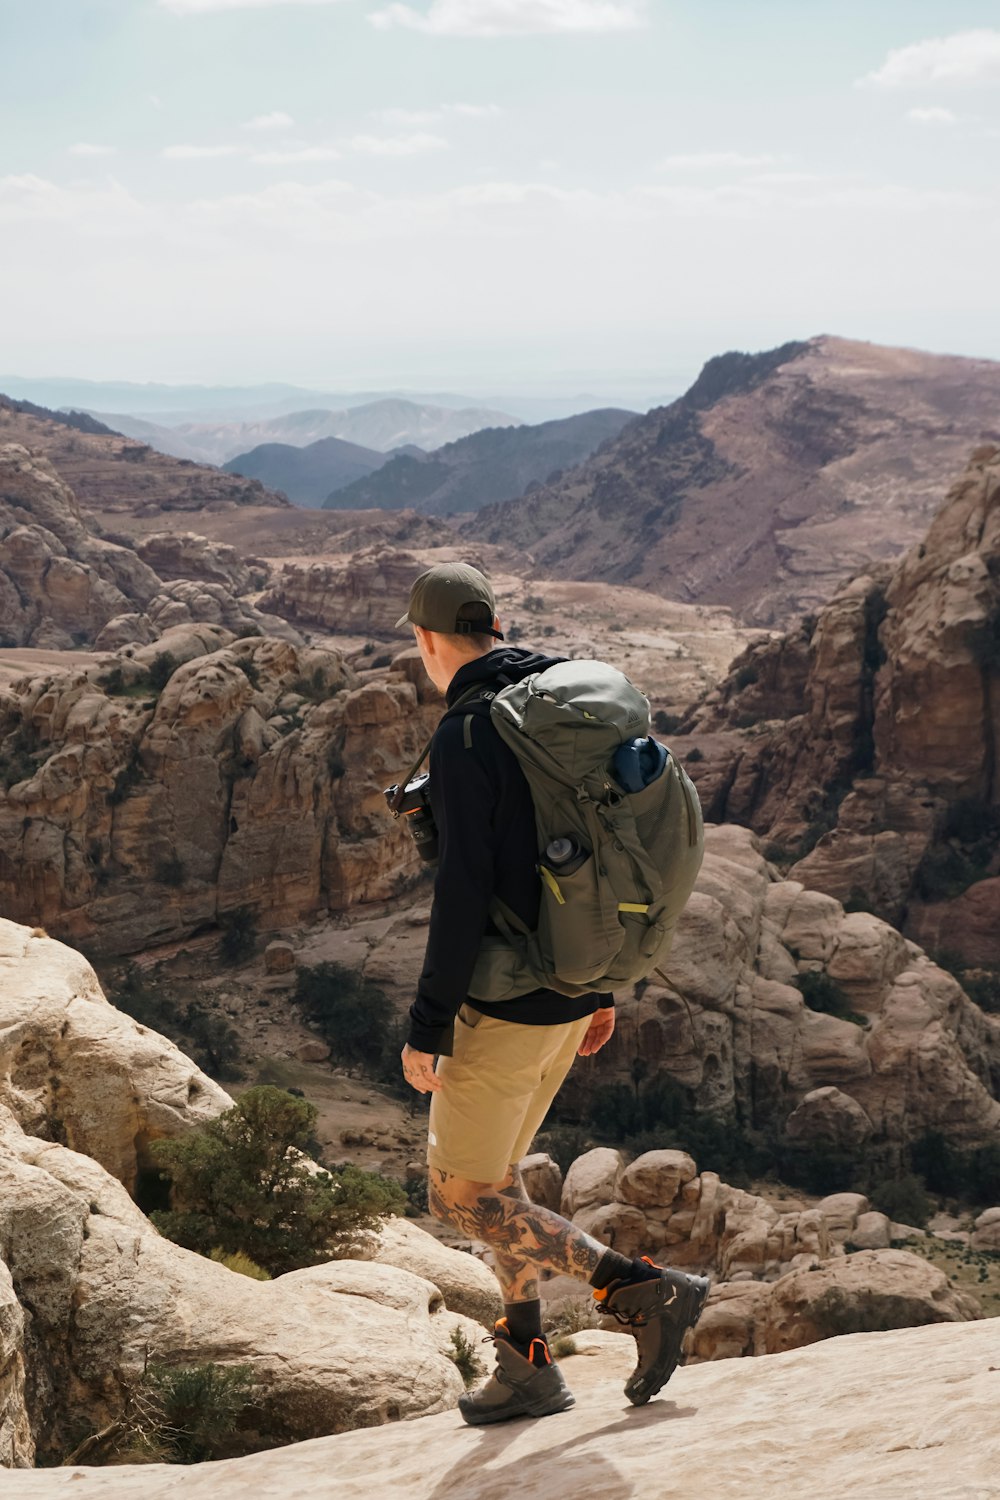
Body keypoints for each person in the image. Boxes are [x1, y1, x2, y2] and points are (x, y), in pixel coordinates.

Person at [396, 562, 708, 1425]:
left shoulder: (467, 734)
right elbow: (603, 855)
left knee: (460, 1197)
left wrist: (428, 1026)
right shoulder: (553, 699)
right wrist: (605, 983)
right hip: (572, 994)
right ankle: (526, 1367)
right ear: (491, 626)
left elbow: (462, 888)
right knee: (502, 1185)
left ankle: (641, 1289)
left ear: (426, 639)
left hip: (502, 1005)